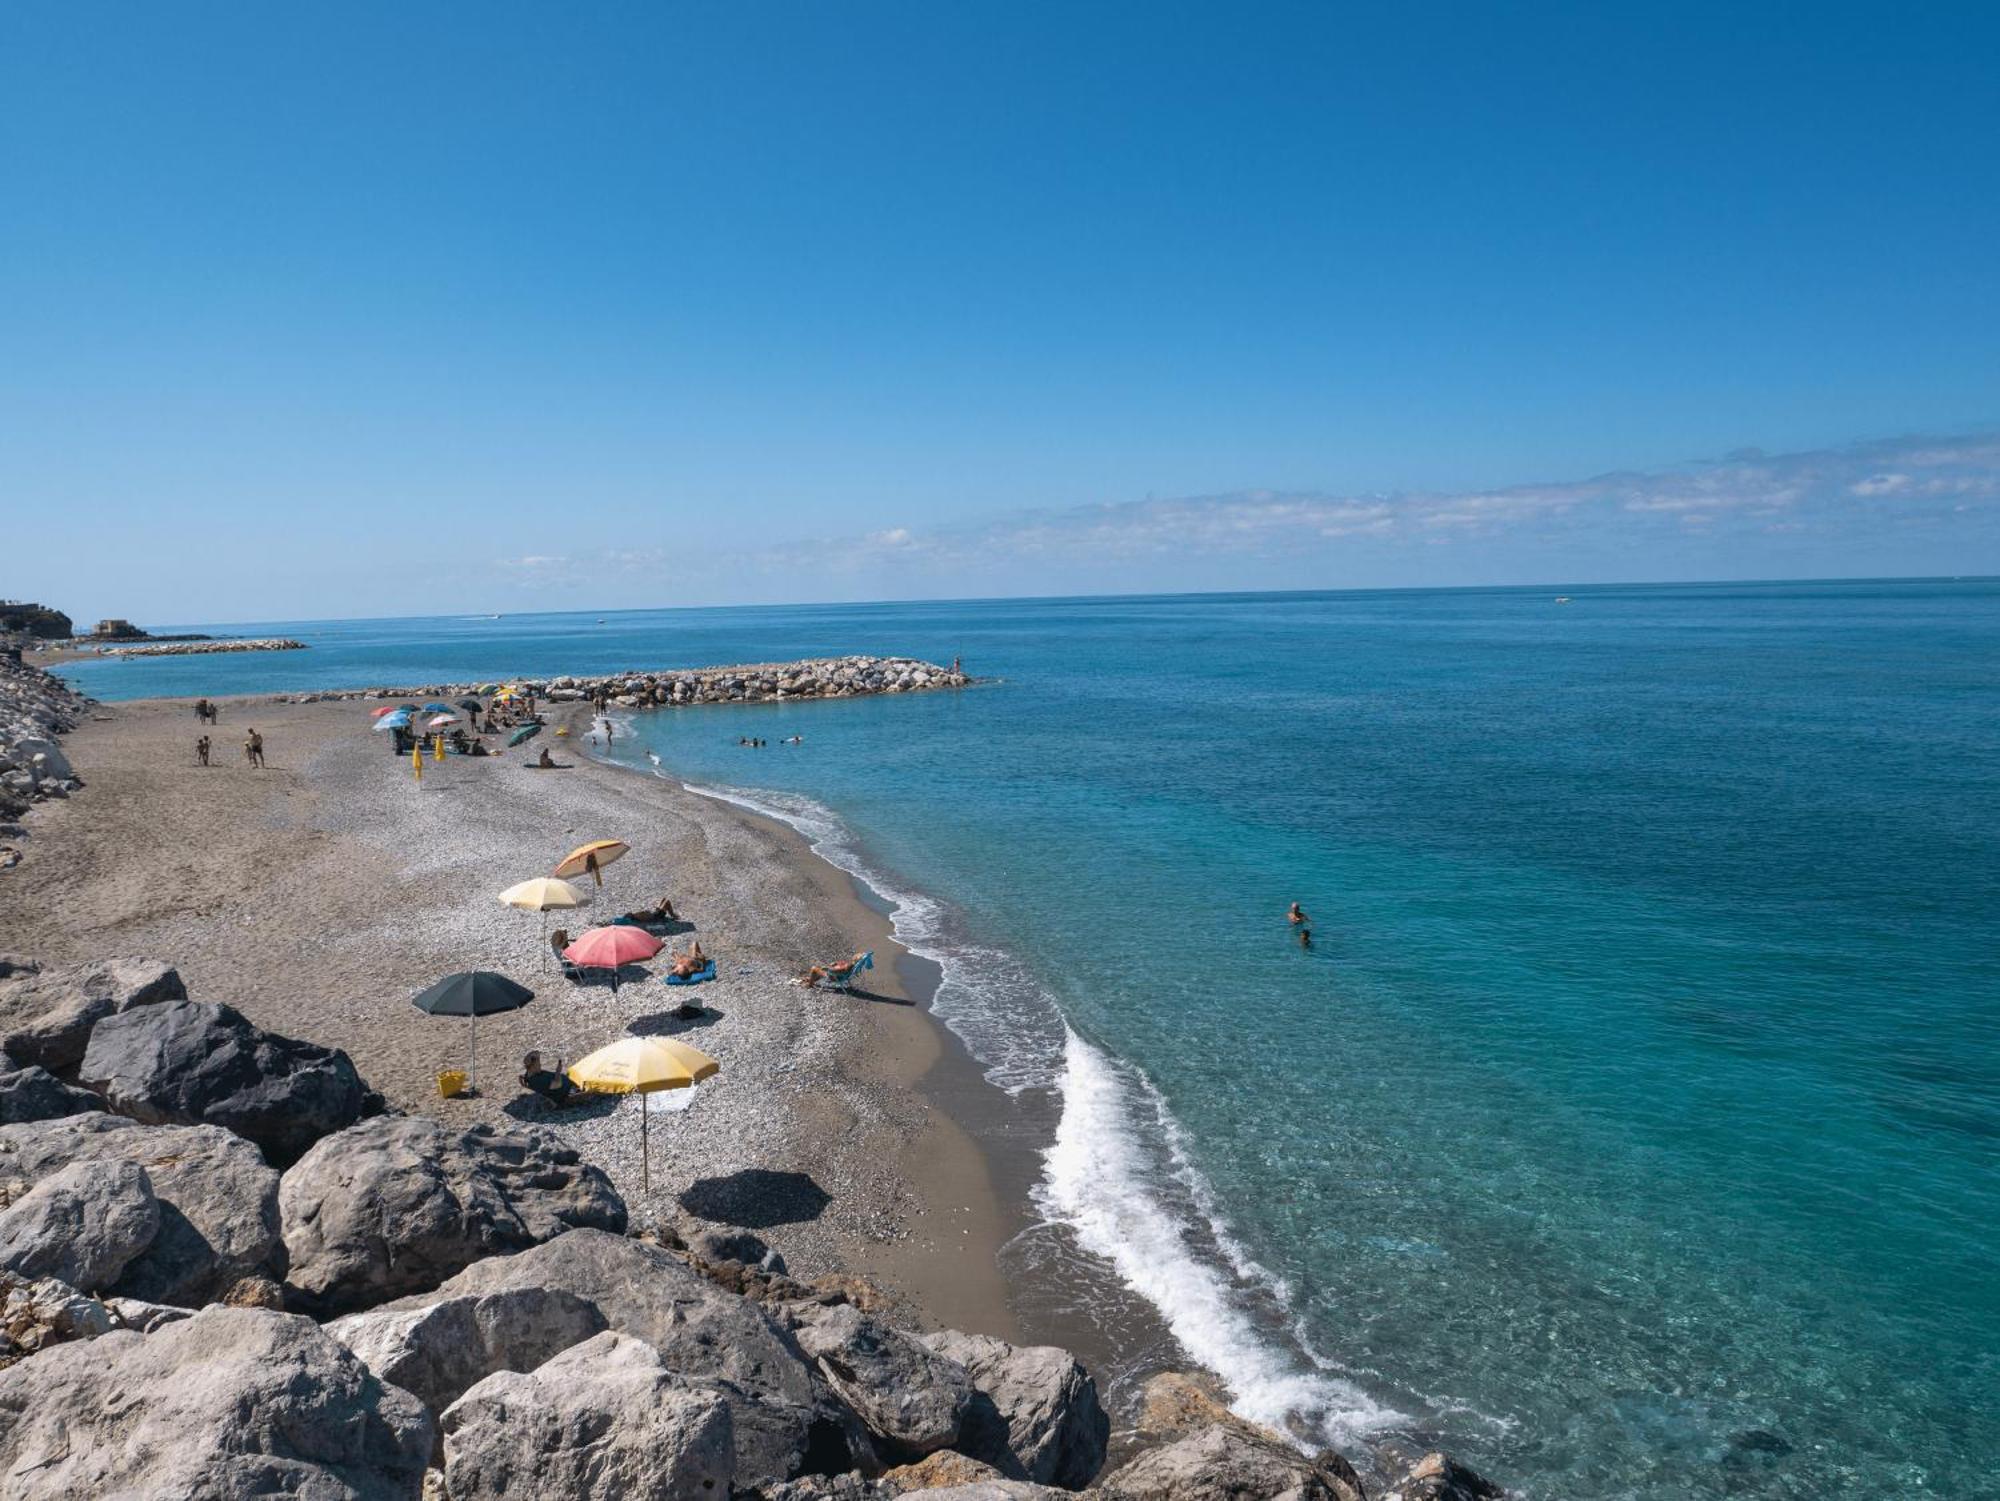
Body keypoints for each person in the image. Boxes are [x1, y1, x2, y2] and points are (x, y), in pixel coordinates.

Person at [799, 951, 869, 989]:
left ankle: (810, 985)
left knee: (814, 969)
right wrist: (836, 964)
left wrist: (828, 968)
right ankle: (811, 979)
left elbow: (834, 971)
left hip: (834, 977)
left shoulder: (848, 966)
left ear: (855, 959)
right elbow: (843, 965)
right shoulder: (852, 965)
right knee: (819, 971)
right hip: (841, 976)